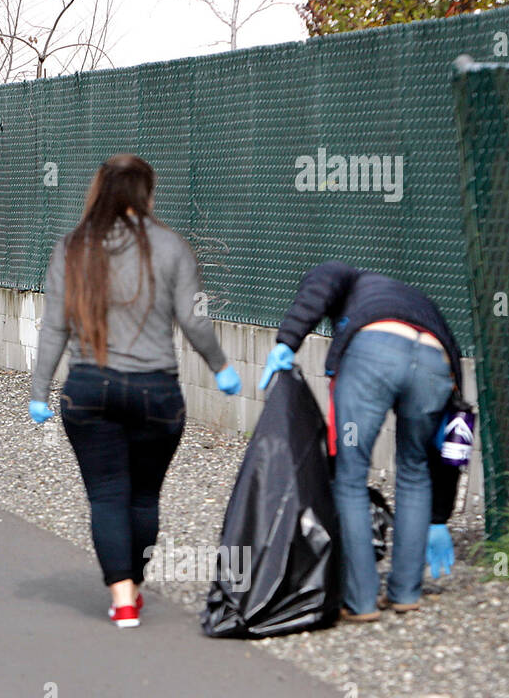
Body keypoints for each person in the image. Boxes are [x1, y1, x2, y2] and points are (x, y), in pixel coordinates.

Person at [29, 154, 241, 629]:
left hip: (88, 390)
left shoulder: (72, 248)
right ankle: (135, 583)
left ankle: (123, 599)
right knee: (144, 499)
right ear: (146, 192)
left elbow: (54, 327)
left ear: (98, 190)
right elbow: (193, 320)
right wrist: (221, 366)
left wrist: (40, 390)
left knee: (107, 496)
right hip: (156, 393)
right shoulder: (171, 246)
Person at [258, 261, 463, 622]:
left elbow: (319, 285)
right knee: (416, 470)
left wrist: (288, 341)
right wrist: (438, 517)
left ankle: (361, 600)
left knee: (350, 477)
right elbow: (452, 437)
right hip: (436, 361)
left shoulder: (344, 274)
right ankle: (405, 593)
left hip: (374, 352)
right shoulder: (418, 301)